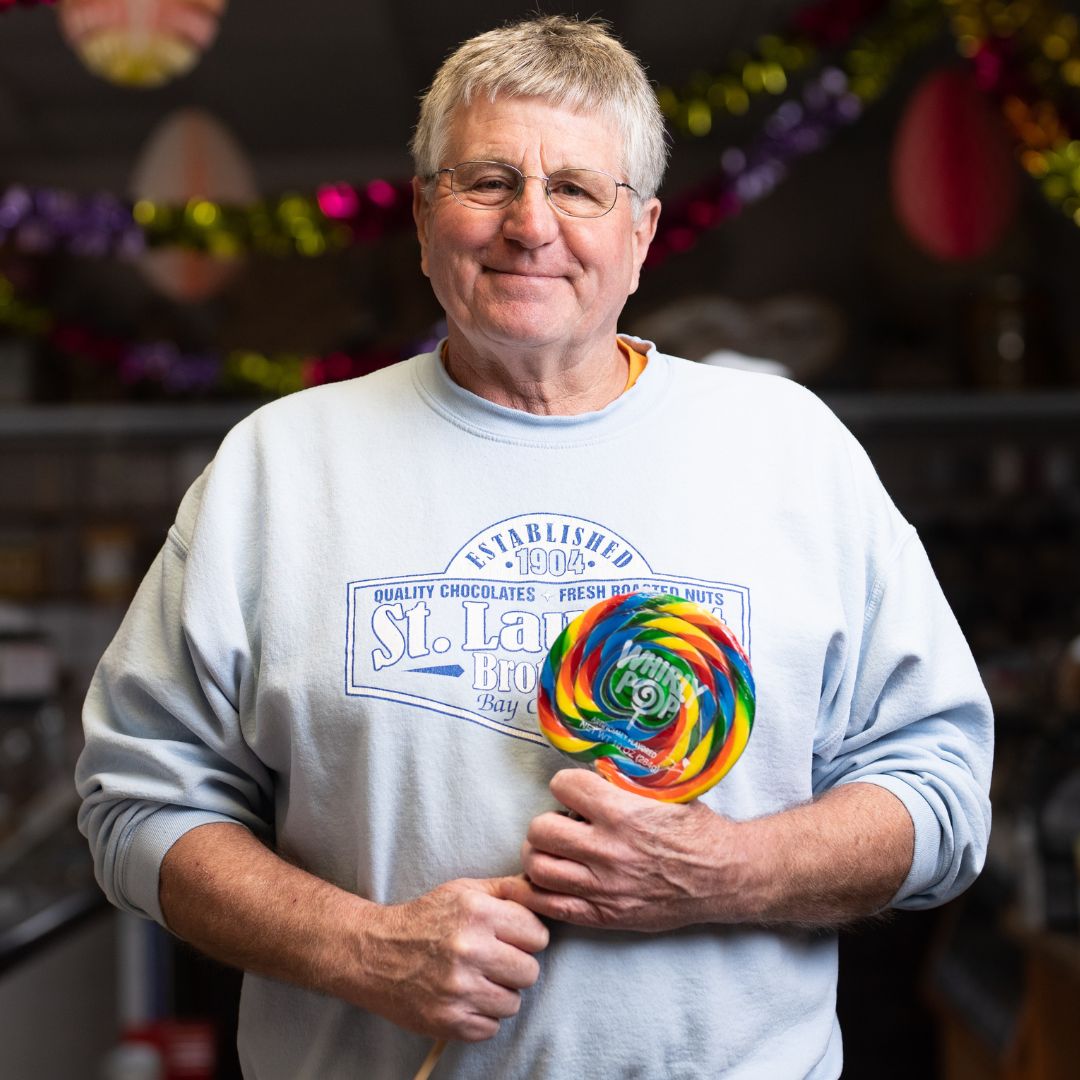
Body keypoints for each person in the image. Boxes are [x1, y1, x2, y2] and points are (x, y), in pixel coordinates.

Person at [77, 15, 993, 1080]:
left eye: (577, 188)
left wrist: (729, 868)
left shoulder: (791, 452)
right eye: (488, 181)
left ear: (642, 232)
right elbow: (137, 802)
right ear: (424, 217)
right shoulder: (278, 468)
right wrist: (360, 948)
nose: (530, 225)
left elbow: (941, 792)